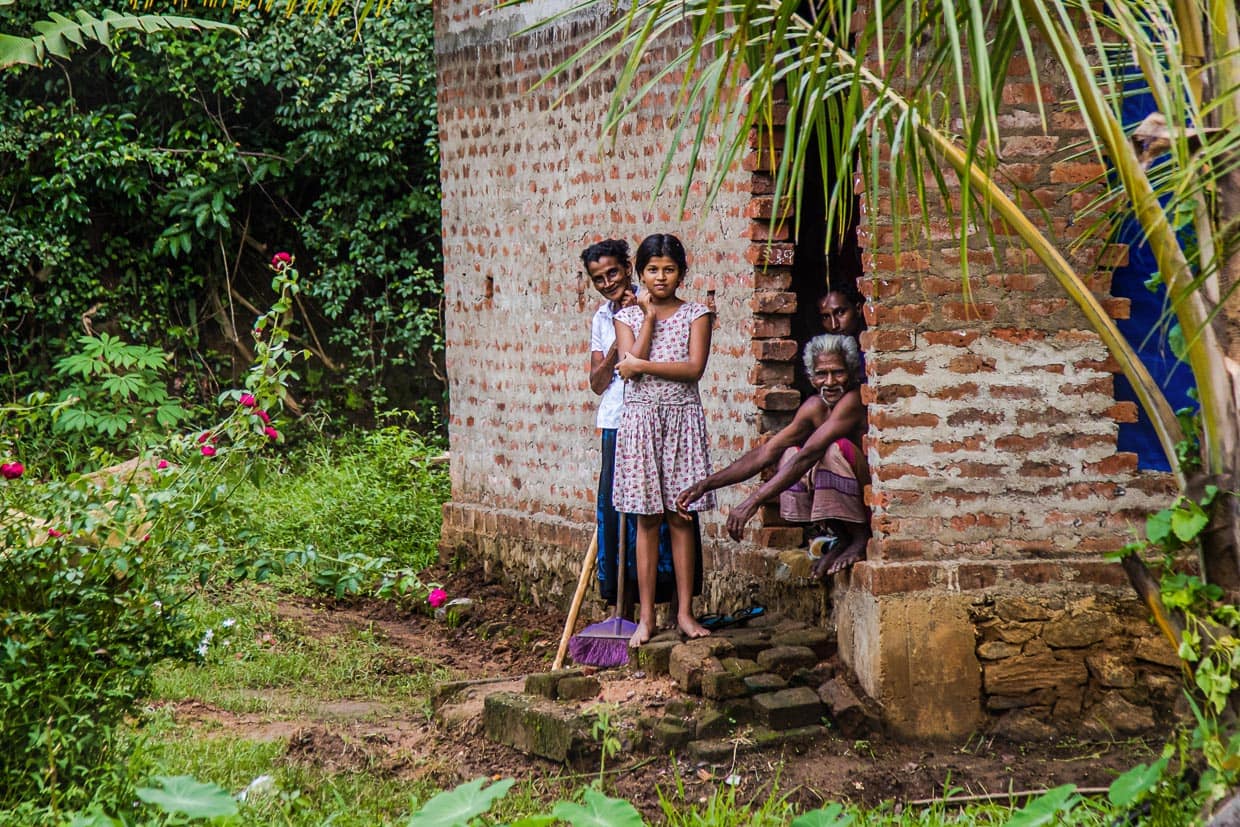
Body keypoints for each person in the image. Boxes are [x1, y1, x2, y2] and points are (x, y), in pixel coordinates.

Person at [677, 333, 869, 579]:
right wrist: (706, 484)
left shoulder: (852, 401)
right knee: (788, 453)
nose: (830, 382)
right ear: (811, 378)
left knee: (832, 451)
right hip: (844, 492)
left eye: (838, 373)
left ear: (852, 374)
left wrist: (752, 502)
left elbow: (809, 454)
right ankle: (842, 538)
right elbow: (767, 452)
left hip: (866, 499)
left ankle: (860, 537)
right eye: (822, 374)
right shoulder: (814, 407)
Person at [613, 233, 714, 645]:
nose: (661, 277)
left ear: (682, 273)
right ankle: (647, 618)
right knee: (646, 520)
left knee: (681, 516)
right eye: (652, 270)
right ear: (640, 274)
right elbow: (627, 367)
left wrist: (642, 363)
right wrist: (649, 318)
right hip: (640, 423)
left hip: (682, 421)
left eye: (669, 269)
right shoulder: (627, 317)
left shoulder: (697, 314)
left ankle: (685, 613)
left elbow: (693, 369)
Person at [584, 239, 693, 607]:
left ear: (629, 268)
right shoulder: (603, 318)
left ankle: (672, 603)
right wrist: (619, 338)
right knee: (620, 516)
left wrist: (639, 316)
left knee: (665, 514)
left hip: (658, 418)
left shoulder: (653, 302)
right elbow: (599, 382)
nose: (607, 282)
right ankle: (625, 603)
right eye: (598, 278)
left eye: (613, 272)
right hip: (616, 421)